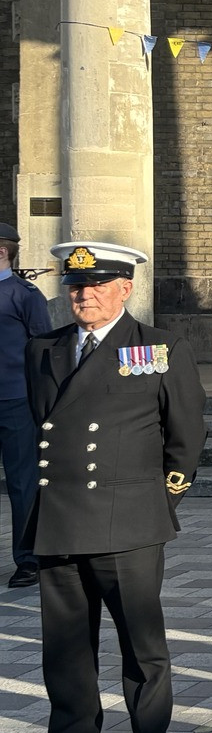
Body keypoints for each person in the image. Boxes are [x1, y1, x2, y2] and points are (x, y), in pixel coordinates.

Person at [5, 243, 203, 733]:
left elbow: (185, 438)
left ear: (124, 288)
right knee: (64, 651)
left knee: (142, 650)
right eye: (75, 286)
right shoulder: (43, 348)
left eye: (97, 285)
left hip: (129, 521)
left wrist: (159, 506)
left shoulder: (156, 348)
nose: (84, 295)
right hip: (61, 520)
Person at [0, 225, 51, 588]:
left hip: (14, 399)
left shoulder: (24, 294)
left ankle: (28, 558)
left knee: (22, 483)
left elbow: (42, 348)